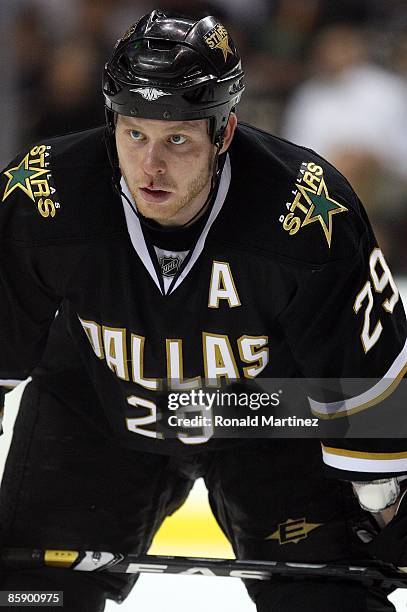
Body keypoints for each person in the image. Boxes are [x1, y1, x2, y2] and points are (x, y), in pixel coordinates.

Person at [0, 9, 406, 612]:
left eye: (178, 139)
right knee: (28, 597)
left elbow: (365, 378)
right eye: (133, 134)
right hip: (97, 408)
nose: (151, 166)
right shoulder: (44, 197)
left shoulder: (307, 213)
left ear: (225, 132)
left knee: (330, 602)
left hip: (273, 420)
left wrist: (385, 503)